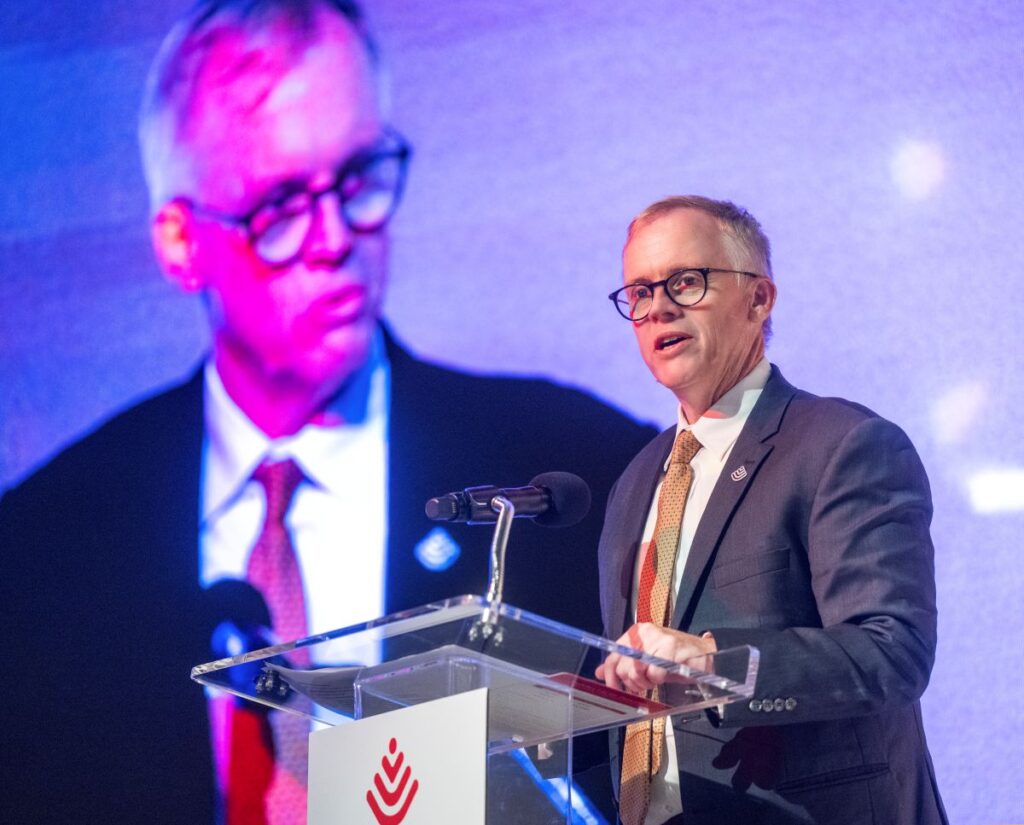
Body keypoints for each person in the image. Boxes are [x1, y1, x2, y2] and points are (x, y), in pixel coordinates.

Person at [0, 2, 654, 822]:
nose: (335, 235)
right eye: (279, 206)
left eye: (358, 177)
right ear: (181, 242)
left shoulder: (578, 478)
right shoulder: (43, 546)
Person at [595, 196, 947, 824]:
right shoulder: (635, 481)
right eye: (640, 292)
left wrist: (715, 664)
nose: (658, 308)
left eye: (685, 281)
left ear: (758, 299)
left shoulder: (842, 445)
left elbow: (892, 653)